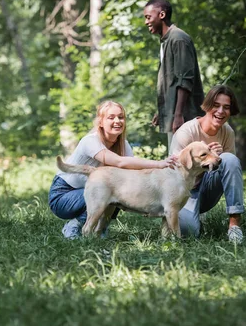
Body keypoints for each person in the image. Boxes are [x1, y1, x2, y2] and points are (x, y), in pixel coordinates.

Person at [49, 100, 176, 239]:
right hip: (64, 195)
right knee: (106, 191)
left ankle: (100, 230)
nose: (117, 121)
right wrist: (158, 164)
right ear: (100, 122)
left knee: (116, 188)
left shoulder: (123, 145)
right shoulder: (90, 141)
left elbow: (133, 175)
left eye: (121, 117)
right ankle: (74, 226)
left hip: (94, 189)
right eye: (111, 117)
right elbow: (120, 162)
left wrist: (145, 202)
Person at [169, 85, 245, 243]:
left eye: (226, 107)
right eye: (216, 105)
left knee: (230, 159)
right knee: (188, 233)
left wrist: (218, 158)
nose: (220, 111)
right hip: (185, 192)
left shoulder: (227, 132)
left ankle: (234, 226)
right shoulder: (186, 132)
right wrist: (206, 158)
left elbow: (230, 170)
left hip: (209, 189)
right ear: (207, 106)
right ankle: (193, 217)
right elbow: (174, 176)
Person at [143, 0, 205, 151]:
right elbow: (171, 81)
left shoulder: (178, 39)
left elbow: (185, 80)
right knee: (175, 164)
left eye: (148, 17)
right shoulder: (166, 41)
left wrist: (177, 115)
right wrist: (164, 110)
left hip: (186, 117)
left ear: (162, 15)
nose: (146, 22)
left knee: (184, 164)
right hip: (176, 115)